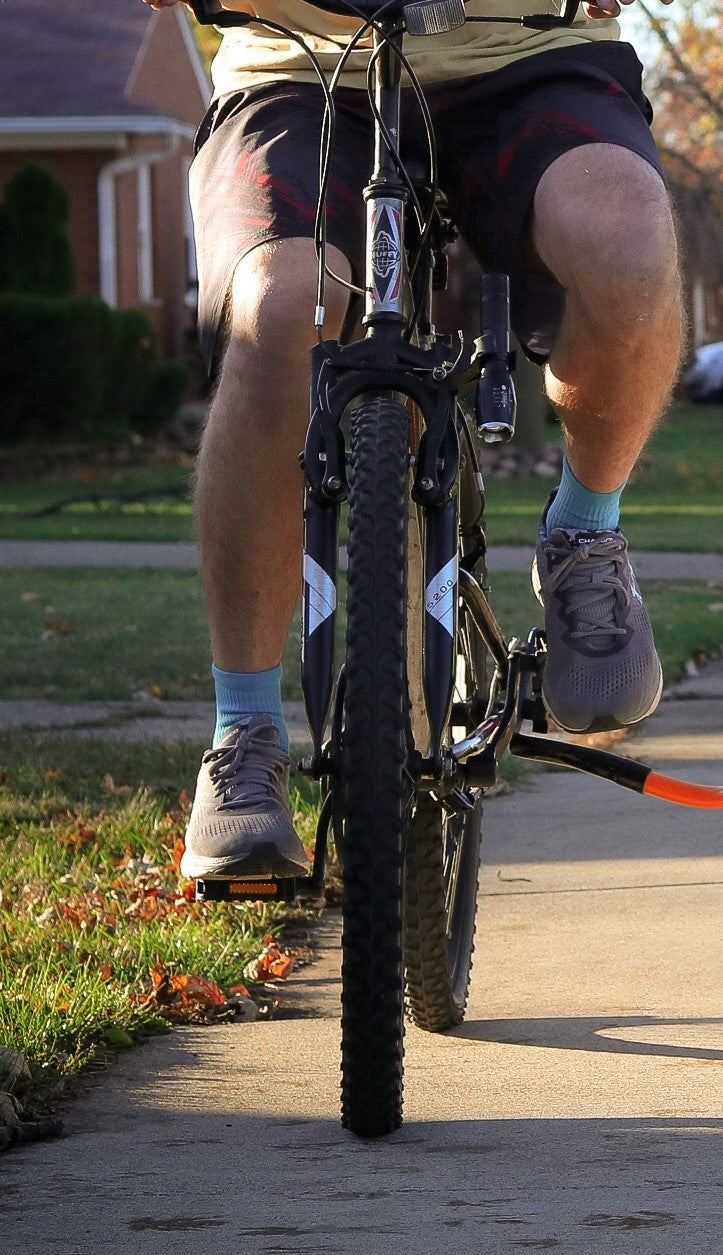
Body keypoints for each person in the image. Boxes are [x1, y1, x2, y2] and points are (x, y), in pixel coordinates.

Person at [142, 0, 681, 880]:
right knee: (282, 311)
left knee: (629, 243)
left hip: (523, 52)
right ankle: (244, 734)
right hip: (303, 66)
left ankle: (587, 531)